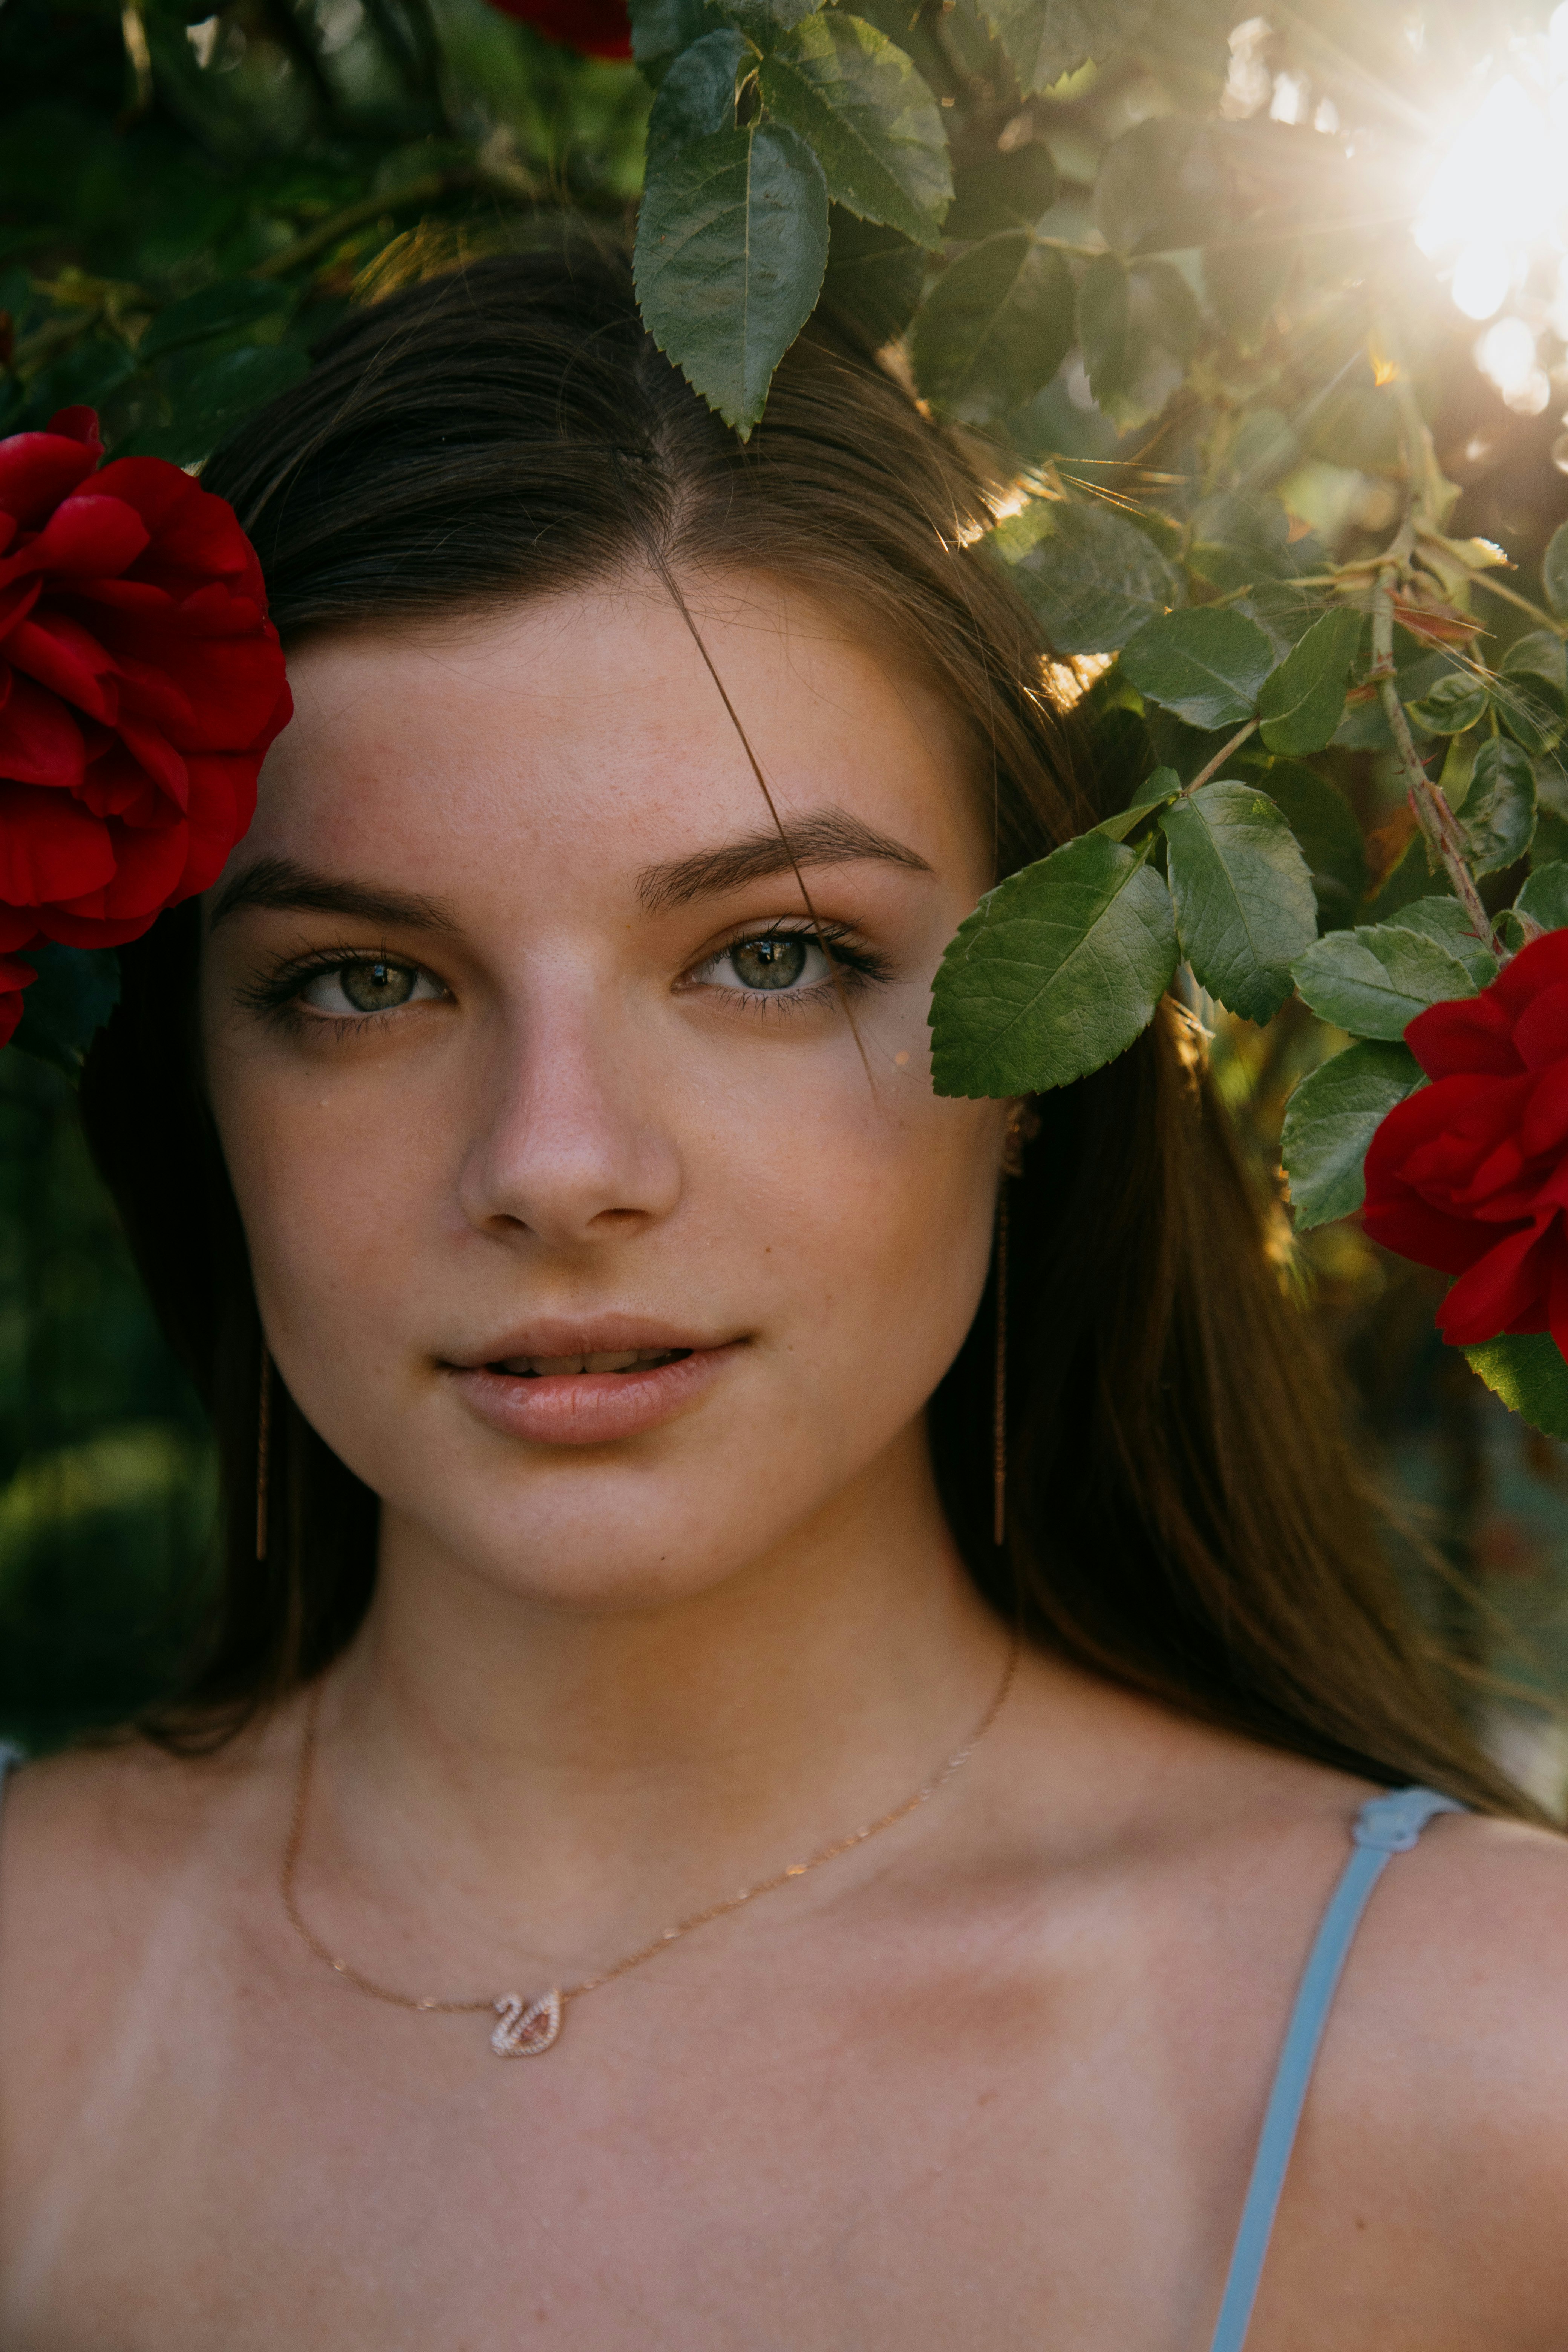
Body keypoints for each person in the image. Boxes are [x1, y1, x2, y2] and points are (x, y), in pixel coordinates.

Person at [2, 241, 1566, 2351]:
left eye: (772, 957)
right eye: (363, 983)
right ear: (195, 1077)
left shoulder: (1497, 2073)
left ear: (1045, 1052)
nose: (556, 1165)